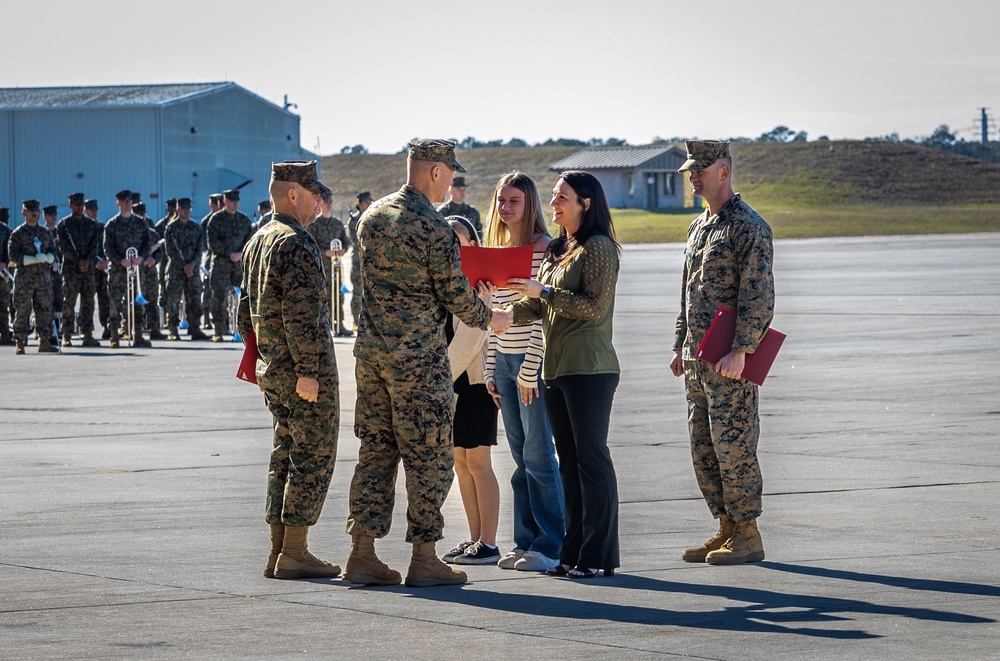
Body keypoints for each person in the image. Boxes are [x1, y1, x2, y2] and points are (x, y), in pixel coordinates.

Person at [343, 138, 512, 588]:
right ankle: (424, 557)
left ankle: (362, 552)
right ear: (435, 172)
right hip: (418, 359)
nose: (451, 184)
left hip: (372, 355)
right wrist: (489, 317)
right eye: (450, 174)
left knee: (375, 452)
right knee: (430, 456)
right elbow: (453, 292)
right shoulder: (434, 228)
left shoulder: (371, 218)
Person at [507, 170, 621, 579]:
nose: (553, 204)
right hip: (557, 369)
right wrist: (502, 314)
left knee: (592, 459)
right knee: (569, 463)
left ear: (585, 204)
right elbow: (540, 308)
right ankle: (571, 553)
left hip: (590, 368)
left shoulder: (600, 248)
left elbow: (592, 307)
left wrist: (545, 292)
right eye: (554, 196)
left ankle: (598, 555)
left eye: (561, 198)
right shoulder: (562, 248)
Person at [669, 140, 775, 565]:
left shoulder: (747, 226)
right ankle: (725, 526)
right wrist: (680, 344)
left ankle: (748, 533)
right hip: (698, 359)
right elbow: (688, 292)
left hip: (731, 361)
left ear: (724, 172)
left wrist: (743, 350)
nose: (693, 177)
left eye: (702, 170)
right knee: (704, 447)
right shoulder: (700, 227)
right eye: (690, 171)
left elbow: (759, 295)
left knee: (734, 447)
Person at [238, 160, 341, 580]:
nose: (320, 202)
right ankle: (295, 552)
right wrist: (309, 371)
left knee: (284, 454)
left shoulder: (258, 239)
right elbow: (302, 317)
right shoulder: (295, 243)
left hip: (273, 369)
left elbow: (244, 314)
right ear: (292, 194)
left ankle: (279, 550)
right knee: (311, 457)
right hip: (300, 373)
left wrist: (266, 357)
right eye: (313, 193)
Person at [482, 172, 565, 572]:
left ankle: (552, 546)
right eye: (501, 200)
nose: (506, 208)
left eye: (514, 201)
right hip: (504, 363)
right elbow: (495, 317)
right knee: (519, 456)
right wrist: (490, 368)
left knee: (539, 455)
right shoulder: (496, 250)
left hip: (531, 366)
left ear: (530, 204)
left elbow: (542, 318)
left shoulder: (544, 249)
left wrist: (530, 369)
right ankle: (526, 540)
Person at [441, 215, 502, 567]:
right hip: (453, 383)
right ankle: (475, 537)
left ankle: (490, 542)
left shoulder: (482, 281)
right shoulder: (446, 278)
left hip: (473, 381)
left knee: (479, 462)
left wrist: (439, 377)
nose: (453, 244)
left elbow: (474, 334)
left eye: (458, 238)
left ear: (473, 243)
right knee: (461, 464)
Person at [8, 200, 59, 354]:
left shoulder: (45, 233)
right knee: (22, 309)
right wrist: (30, 259)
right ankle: (20, 341)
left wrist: (47, 257)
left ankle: (44, 341)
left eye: (35, 210)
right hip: (24, 278)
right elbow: (13, 255)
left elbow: (54, 251)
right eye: (30, 210)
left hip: (43, 278)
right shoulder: (18, 234)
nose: (34, 213)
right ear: (23, 213)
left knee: (44, 309)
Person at [103, 189, 152, 348]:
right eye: (124, 201)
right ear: (118, 203)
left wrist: (141, 258)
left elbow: (147, 245)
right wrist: (120, 260)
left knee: (138, 303)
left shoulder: (140, 222)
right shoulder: (111, 225)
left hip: (136, 269)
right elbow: (107, 249)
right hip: (118, 270)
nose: (127, 203)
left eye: (130, 201)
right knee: (115, 302)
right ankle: (115, 336)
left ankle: (138, 335)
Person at [206, 189, 253, 341]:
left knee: (245, 297)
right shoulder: (216, 219)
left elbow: (250, 240)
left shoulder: (244, 220)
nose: (235, 204)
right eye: (232, 202)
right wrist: (229, 253)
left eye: (237, 201)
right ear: (225, 202)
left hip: (239, 264)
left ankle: (242, 330)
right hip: (222, 263)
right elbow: (212, 243)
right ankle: (219, 329)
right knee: (219, 296)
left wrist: (240, 253)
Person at [57, 192, 101, 347]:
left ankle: (87, 334)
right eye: (76, 204)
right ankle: (67, 334)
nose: (79, 207)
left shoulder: (91, 224)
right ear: (70, 206)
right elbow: (63, 247)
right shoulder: (64, 225)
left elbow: (94, 246)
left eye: (81, 204)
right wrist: (78, 261)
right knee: (69, 302)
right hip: (71, 269)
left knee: (88, 303)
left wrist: (87, 261)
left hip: (88, 269)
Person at [307, 189, 352, 336]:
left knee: (338, 294)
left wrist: (343, 250)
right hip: (321, 267)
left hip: (336, 266)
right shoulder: (314, 223)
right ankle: (324, 326)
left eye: (331, 202)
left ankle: (339, 324)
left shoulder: (338, 224)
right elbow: (310, 244)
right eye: (326, 202)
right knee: (322, 296)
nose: (329, 205)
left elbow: (346, 242)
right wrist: (324, 252)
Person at [163, 198, 208, 341]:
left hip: (192, 270)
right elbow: (170, 251)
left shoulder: (196, 228)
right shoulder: (171, 228)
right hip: (176, 269)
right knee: (174, 300)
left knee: (195, 298)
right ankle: (173, 329)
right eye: (183, 208)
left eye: (188, 208)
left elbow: (199, 249)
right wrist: (184, 266)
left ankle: (195, 328)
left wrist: (192, 265)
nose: (186, 211)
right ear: (177, 210)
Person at [84, 199, 111, 339]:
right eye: (91, 210)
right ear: (85, 211)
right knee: (87, 299)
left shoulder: (103, 227)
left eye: (96, 209)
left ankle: (107, 325)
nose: (94, 212)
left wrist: (106, 262)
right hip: (89, 269)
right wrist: (95, 263)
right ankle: (86, 328)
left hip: (104, 268)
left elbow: (108, 245)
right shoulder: (84, 228)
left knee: (105, 297)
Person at [347, 191, 372, 330]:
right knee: (357, 291)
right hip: (358, 261)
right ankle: (356, 319)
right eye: (366, 202)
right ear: (360, 204)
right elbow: (356, 239)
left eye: (370, 202)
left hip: (369, 260)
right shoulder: (353, 220)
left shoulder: (372, 217)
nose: (369, 204)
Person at [200, 193, 224, 330]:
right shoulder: (206, 221)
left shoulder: (224, 218)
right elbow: (205, 243)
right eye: (216, 203)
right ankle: (207, 318)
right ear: (211, 205)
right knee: (207, 289)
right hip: (210, 258)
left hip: (223, 260)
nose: (218, 206)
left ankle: (224, 320)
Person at [0, 207, 14, 346]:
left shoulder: (5, 230)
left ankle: (5, 335)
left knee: (3, 305)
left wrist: (4, 262)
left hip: (2, 274)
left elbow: (9, 250)